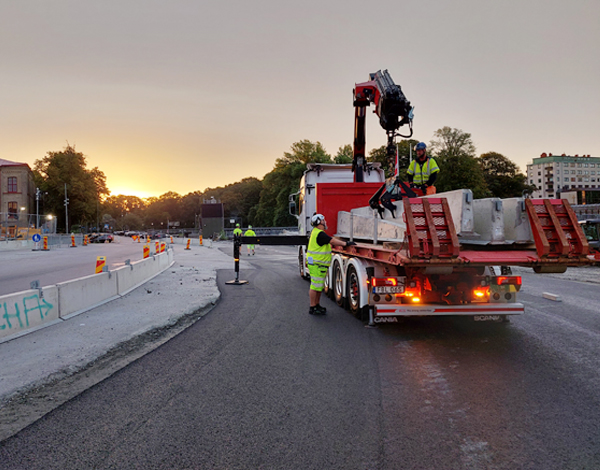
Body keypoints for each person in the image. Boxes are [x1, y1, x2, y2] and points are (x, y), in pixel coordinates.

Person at [307, 213, 356, 315]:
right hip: (317, 265)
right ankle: (312, 307)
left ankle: (316, 305)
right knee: (315, 286)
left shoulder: (316, 232)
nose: (325, 222)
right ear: (319, 222)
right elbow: (332, 241)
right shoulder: (320, 234)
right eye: (323, 220)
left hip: (317, 264)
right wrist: (346, 243)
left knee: (318, 286)